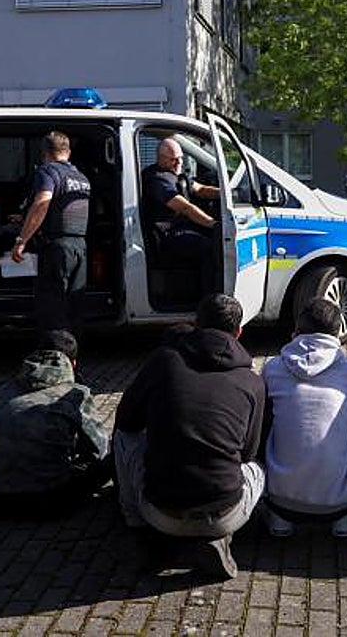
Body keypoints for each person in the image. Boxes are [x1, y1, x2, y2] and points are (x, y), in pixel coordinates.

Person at [112, 294, 266, 579]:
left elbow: (126, 422)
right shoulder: (252, 382)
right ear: (239, 331)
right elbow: (247, 453)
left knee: (123, 437)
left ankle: (138, 530)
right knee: (258, 467)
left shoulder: (163, 361)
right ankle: (219, 538)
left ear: (195, 325)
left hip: (159, 509)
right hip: (225, 513)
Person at [261, 298, 347, 538]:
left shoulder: (272, 368)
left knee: (270, 409)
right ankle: (345, 520)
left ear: (296, 330)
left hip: (280, 500)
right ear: (337, 334)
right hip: (339, 502)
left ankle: (279, 520)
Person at [0, 330, 112, 519]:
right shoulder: (75, 393)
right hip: (49, 500)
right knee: (114, 455)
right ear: (73, 364)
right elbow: (99, 449)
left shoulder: (7, 389)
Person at [11, 131, 92, 339]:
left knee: (52, 308)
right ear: (68, 152)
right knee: (74, 307)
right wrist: (25, 219)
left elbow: (42, 203)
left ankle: (54, 362)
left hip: (57, 249)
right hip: (79, 247)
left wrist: (22, 240)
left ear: (45, 153)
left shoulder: (47, 172)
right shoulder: (80, 177)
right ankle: (72, 361)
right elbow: (62, 210)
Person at [141, 137, 220, 297]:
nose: (178, 163)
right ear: (161, 158)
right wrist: (213, 224)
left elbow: (201, 189)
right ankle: (208, 300)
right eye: (173, 159)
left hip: (184, 228)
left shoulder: (177, 174)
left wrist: (227, 193)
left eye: (181, 158)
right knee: (209, 248)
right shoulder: (157, 179)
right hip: (169, 234)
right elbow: (185, 208)